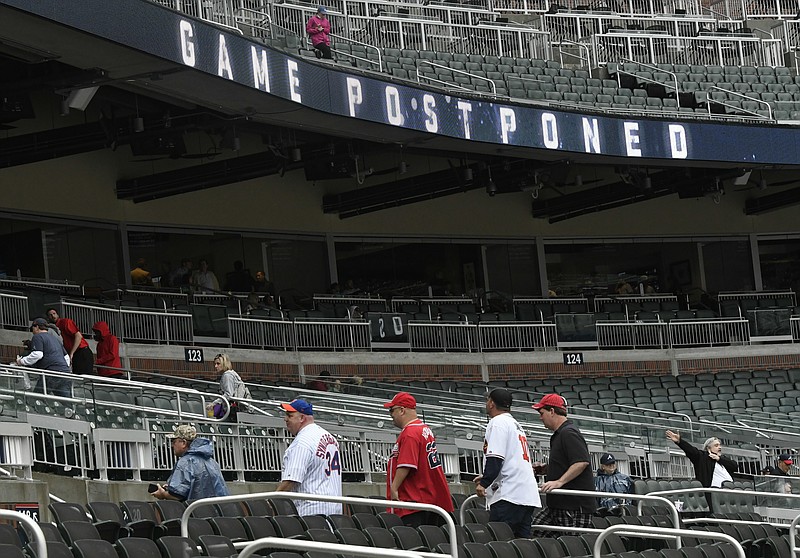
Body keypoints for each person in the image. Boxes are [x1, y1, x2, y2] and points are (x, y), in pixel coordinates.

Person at [474, 388, 540, 538]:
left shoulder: (498, 422)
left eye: (487, 400)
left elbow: (496, 458)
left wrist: (484, 483)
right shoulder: (515, 424)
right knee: (521, 546)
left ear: (491, 403)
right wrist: (487, 477)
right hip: (526, 494)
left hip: (509, 495)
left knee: (500, 544)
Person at [384, 392, 454, 527]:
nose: (391, 415)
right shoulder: (424, 429)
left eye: (392, 410)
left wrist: (394, 488)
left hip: (414, 500)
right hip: (426, 496)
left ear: (402, 410)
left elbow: (407, 464)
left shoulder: (410, 433)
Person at [532, 393, 595, 537]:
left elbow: (581, 462)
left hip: (573, 506)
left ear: (552, 411)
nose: (540, 417)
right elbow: (568, 463)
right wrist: (547, 469)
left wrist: (559, 482)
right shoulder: (560, 434)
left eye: (542, 413)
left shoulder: (569, 433)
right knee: (537, 532)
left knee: (572, 547)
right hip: (558, 504)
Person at [277, 398, 342, 516]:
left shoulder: (302, 442)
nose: (285, 419)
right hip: (335, 508)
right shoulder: (330, 437)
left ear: (302, 418)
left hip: (311, 511)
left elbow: (292, 479)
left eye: (290, 415)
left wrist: (272, 499)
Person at [151, 425, 229, 501]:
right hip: (220, 509)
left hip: (198, 512)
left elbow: (177, 495)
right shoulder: (212, 462)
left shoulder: (185, 462)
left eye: (174, 442)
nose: (172, 445)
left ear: (184, 443)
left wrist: (163, 494)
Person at [666, 430, 738, 510]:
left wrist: (719, 459)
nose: (720, 447)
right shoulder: (702, 457)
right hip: (713, 495)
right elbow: (691, 451)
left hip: (730, 494)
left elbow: (734, 466)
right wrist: (680, 441)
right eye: (716, 445)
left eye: (720, 445)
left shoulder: (722, 459)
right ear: (708, 448)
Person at [15, 318, 72, 397]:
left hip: (51, 373)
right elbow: (66, 357)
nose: (32, 331)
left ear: (37, 327)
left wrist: (21, 361)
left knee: (38, 399)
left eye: (33, 328)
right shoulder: (55, 339)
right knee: (66, 401)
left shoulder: (38, 337)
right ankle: (70, 409)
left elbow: (37, 354)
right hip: (65, 373)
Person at [46, 308, 94, 375]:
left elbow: (78, 336)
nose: (53, 316)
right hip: (75, 353)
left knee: (83, 376)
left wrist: (71, 353)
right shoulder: (53, 328)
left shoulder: (65, 322)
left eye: (54, 314)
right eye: (50, 315)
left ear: (57, 314)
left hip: (81, 351)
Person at [206, 353, 251, 421]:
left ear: (224, 364)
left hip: (232, 409)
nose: (215, 366)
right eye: (215, 364)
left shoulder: (227, 375)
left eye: (218, 364)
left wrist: (214, 403)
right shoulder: (232, 373)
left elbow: (228, 394)